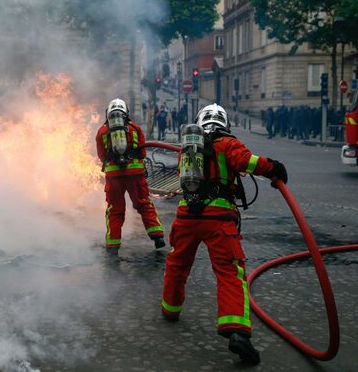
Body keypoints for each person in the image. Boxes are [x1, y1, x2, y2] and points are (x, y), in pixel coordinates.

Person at [161, 103, 288, 365]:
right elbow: (246, 162)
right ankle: (238, 332)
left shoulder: (188, 146)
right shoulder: (228, 142)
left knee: (177, 263)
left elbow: (182, 178)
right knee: (230, 272)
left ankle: (170, 309)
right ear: (224, 123)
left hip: (186, 217)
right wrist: (273, 167)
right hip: (218, 218)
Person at [96, 98, 165, 256]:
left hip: (113, 176)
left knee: (115, 210)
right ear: (126, 112)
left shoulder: (102, 131)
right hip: (135, 174)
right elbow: (142, 152)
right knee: (144, 205)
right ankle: (157, 236)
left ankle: (113, 246)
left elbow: (101, 155)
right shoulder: (135, 128)